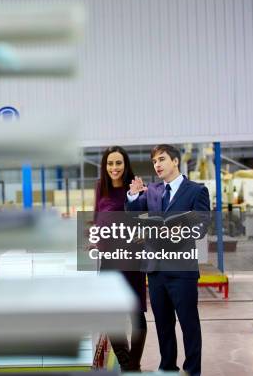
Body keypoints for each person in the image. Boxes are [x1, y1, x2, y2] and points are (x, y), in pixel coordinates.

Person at [126, 144, 209, 376]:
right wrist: (133, 196)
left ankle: (192, 370)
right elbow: (134, 214)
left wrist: (178, 231)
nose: (157, 165)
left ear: (175, 161)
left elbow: (202, 226)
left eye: (162, 159)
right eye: (154, 161)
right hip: (156, 270)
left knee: (188, 323)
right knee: (163, 325)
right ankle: (167, 367)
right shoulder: (152, 191)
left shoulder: (196, 190)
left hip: (182, 270)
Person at [93, 146, 147, 371]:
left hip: (131, 260)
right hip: (108, 260)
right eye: (110, 163)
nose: (114, 168)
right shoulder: (100, 188)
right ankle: (128, 364)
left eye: (118, 163)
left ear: (125, 165)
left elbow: (144, 221)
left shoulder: (135, 188)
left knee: (136, 315)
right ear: (105, 166)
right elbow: (97, 217)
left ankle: (134, 363)